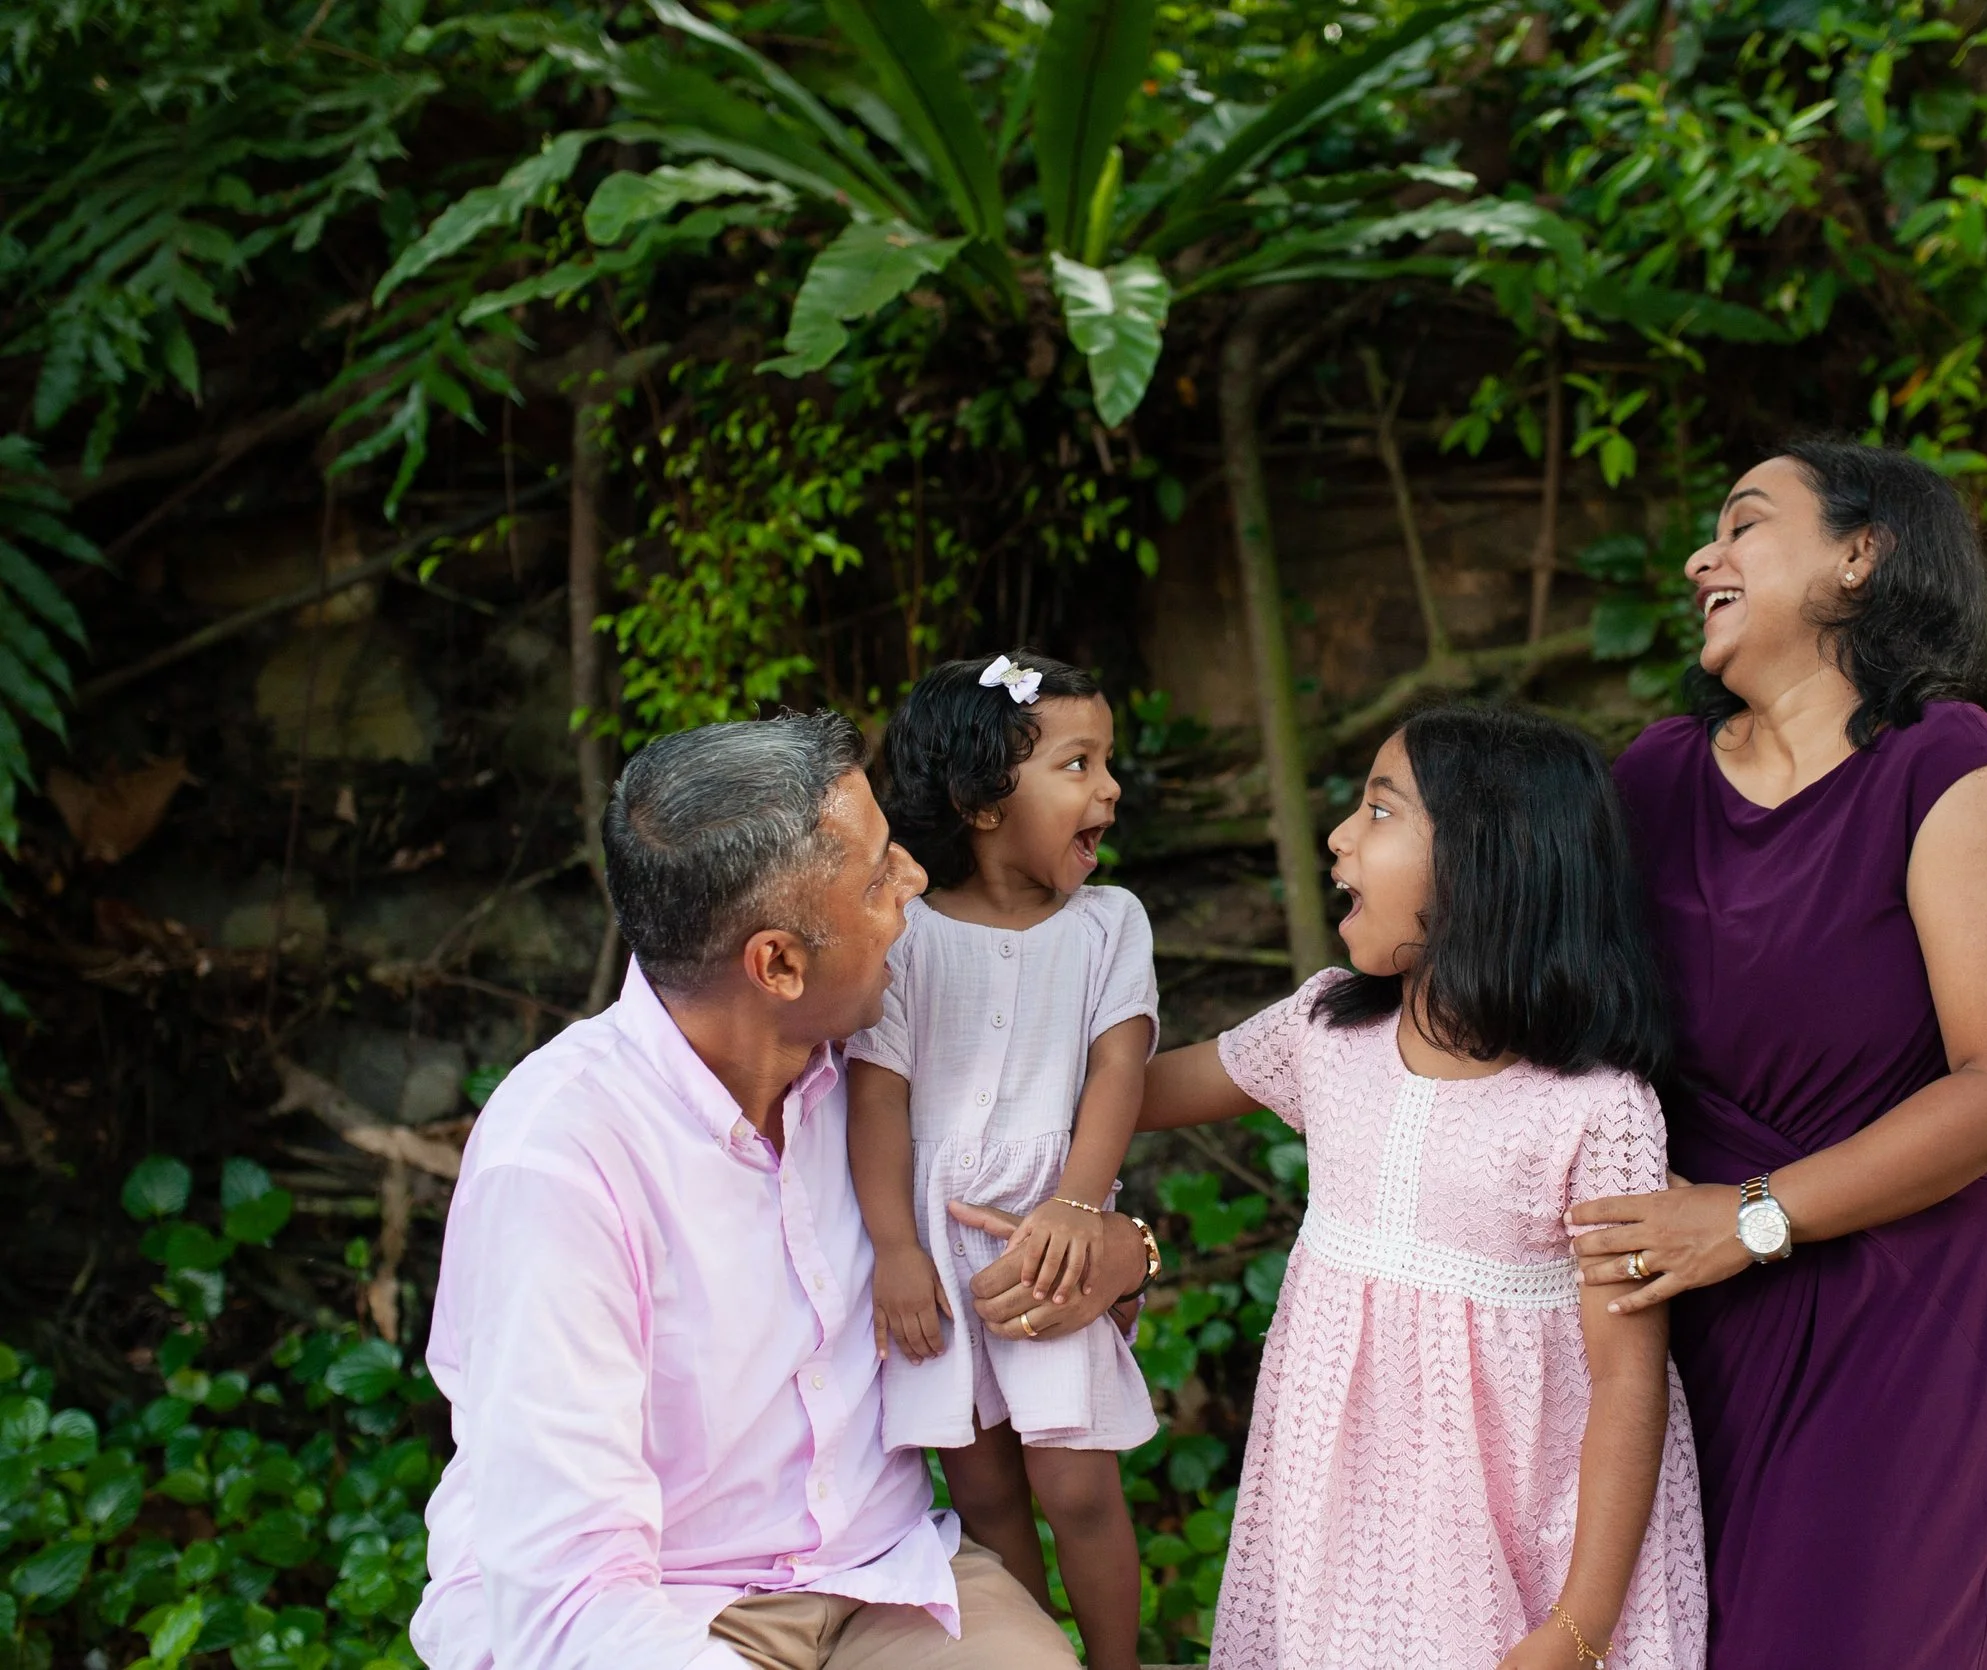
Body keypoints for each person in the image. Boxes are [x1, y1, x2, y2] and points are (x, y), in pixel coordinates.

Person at [408, 711, 1151, 1670]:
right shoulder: (559, 1160)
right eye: (879, 878)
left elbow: (1069, 1151)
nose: (917, 880)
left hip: (887, 1577)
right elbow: (569, 1600)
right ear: (779, 965)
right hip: (666, 1615)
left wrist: (1129, 1251)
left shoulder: (877, 1072)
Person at [1573, 440, 1987, 1668]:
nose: (1702, 558)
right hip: (1692, 1297)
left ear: (1860, 554)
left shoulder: (1952, 764)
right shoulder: (1655, 777)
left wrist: (1749, 1217)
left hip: (1907, 1296)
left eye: (1744, 524)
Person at [1138, 703, 1710, 1670]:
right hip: (1338, 1531)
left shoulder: (1596, 1109)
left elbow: (1626, 1379)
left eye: (1379, 810)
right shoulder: (1324, 1032)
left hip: (1529, 1545)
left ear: (1488, 863)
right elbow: (1131, 1093)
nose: (1338, 835)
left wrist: (1579, 1627)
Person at [846, 651, 1156, 1670]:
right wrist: (895, 1247)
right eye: (1077, 763)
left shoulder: (1109, 924)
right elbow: (877, 1095)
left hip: (1050, 1239)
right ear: (982, 803)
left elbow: (1119, 1066)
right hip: (936, 1252)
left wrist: (1078, 1204)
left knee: (1077, 1483)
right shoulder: (905, 936)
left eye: (1106, 761)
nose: (1109, 787)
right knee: (982, 1490)